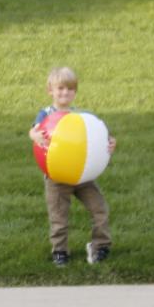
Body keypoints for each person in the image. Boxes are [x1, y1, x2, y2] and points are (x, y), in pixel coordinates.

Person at [26, 65, 115, 267]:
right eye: (60, 89)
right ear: (51, 90)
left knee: (100, 209)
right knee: (59, 217)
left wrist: (110, 142)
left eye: (69, 89)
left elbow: (97, 137)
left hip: (83, 176)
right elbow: (33, 131)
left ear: (75, 92)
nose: (65, 93)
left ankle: (100, 246)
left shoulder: (81, 116)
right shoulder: (46, 114)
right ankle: (60, 251)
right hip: (57, 177)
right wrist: (34, 135)